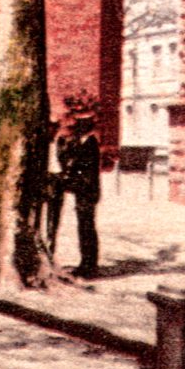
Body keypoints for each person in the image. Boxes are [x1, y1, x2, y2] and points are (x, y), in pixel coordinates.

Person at [55, 98, 104, 279]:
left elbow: (83, 169)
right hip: (82, 189)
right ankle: (87, 263)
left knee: (86, 227)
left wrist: (71, 182)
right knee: (84, 226)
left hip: (87, 190)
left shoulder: (90, 142)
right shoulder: (79, 141)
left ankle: (89, 265)